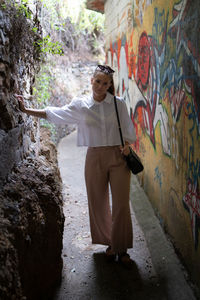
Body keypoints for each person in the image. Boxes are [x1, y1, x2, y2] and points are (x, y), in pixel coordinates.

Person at [15, 64, 136, 269]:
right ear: (91, 81)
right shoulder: (81, 105)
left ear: (109, 85)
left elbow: (128, 129)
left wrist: (127, 145)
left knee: (122, 204)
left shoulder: (118, 103)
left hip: (118, 156)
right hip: (94, 156)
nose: (100, 86)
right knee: (97, 202)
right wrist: (26, 110)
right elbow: (56, 113)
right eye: (97, 81)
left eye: (105, 83)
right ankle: (111, 244)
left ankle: (122, 247)